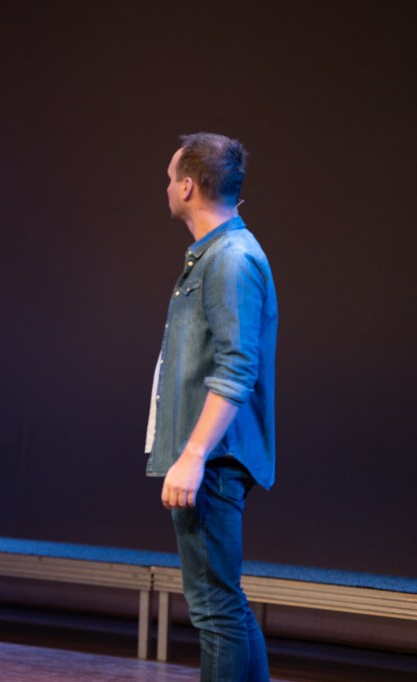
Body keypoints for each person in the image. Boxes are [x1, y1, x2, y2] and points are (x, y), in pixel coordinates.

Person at [144, 132, 277, 681]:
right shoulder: (217, 255)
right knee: (225, 605)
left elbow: (237, 368)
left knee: (215, 611)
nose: (166, 187)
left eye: (169, 178)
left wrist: (194, 455)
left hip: (216, 458)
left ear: (187, 187)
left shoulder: (229, 260)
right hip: (214, 456)